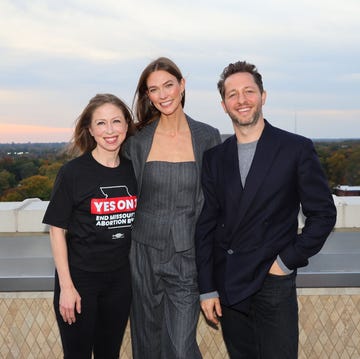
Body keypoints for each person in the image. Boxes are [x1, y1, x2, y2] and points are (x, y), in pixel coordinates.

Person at [195, 61, 337, 358]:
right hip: (229, 285)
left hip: (272, 282)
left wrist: (284, 263)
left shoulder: (295, 149)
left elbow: (323, 214)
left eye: (249, 91)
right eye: (232, 94)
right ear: (223, 105)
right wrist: (207, 288)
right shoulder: (215, 158)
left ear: (263, 96)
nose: (241, 100)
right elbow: (206, 226)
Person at [122, 57, 221, 358]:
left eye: (168, 85)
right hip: (142, 255)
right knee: (147, 341)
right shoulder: (136, 140)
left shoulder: (208, 137)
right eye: (154, 90)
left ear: (182, 85)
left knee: (180, 347)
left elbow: (216, 203)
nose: (163, 95)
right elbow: (123, 197)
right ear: (148, 97)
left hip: (187, 256)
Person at [43, 94, 137, 359]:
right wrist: (67, 288)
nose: (110, 130)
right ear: (90, 130)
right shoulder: (73, 173)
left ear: (126, 126)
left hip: (120, 282)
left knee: (109, 355)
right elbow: (56, 230)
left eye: (116, 121)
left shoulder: (134, 170)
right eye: (102, 123)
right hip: (80, 281)